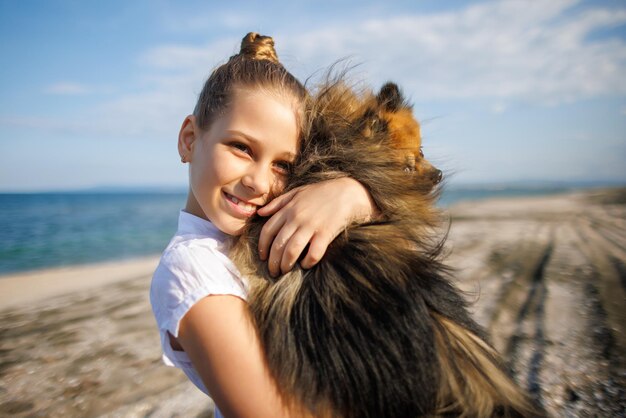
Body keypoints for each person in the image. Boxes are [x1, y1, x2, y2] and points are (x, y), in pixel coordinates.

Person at [150, 33, 378, 418]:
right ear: (189, 139)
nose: (258, 182)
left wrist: (352, 195)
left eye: (283, 165)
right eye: (242, 147)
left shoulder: (271, 227)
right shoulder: (192, 269)